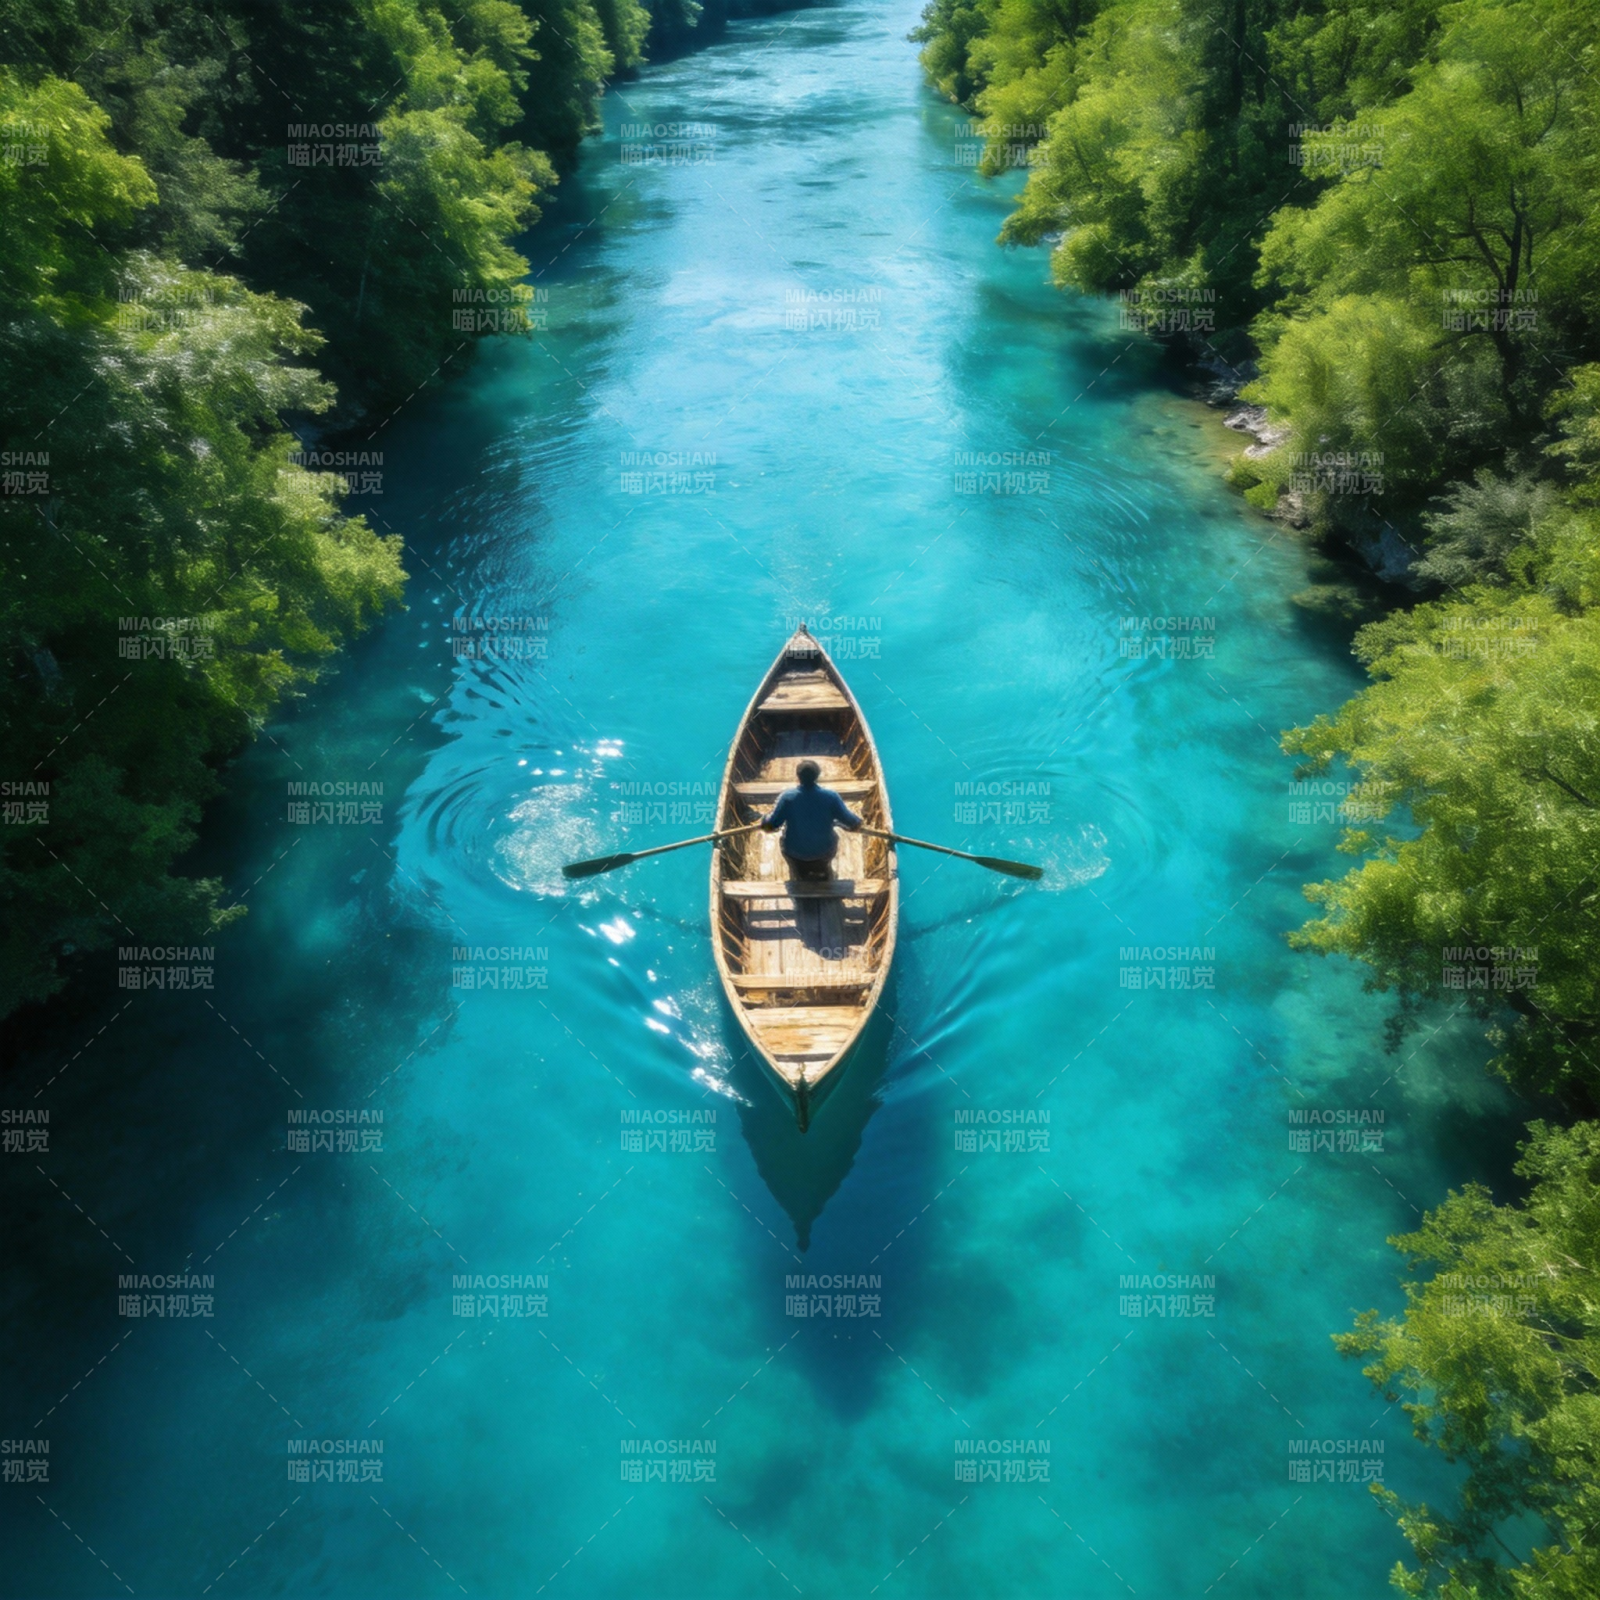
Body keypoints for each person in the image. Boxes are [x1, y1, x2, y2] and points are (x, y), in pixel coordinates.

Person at [761, 760, 863, 882]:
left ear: (798, 777)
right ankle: (823, 870)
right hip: (824, 853)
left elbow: (770, 826)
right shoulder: (831, 797)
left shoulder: (787, 798)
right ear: (817, 776)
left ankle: (799, 873)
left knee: (784, 840)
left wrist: (763, 820)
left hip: (795, 854)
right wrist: (857, 823)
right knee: (834, 836)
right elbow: (853, 822)